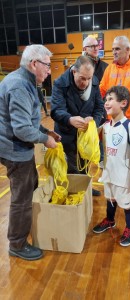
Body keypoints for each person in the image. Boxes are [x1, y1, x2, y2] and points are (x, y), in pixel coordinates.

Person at [0, 44, 61, 261]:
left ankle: (26, 231)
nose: (49, 70)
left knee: (31, 186)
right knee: (22, 198)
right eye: (47, 65)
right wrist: (45, 140)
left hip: (17, 148)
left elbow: (30, 121)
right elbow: (22, 129)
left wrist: (47, 131)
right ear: (34, 63)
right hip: (15, 151)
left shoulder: (26, 81)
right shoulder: (19, 85)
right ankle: (16, 244)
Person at [93, 86, 130, 247]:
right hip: (109, 172)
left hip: (124, 175)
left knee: (126, 203)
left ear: (123, 103)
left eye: (110, 99)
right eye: (106, 99)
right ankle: (110, 220)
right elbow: (92, 137)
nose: (106, 102)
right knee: (110, 198)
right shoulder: (106, 126)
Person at [51, 55, 104, 197]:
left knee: (85, 163)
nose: (86, 83)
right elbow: (56, 111)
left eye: (89, 78)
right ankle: (75, 192)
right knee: (72, 167)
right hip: (67, 133)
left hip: (86, 135)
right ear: (74, 71)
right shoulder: (60, 83)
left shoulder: (94, 82)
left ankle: (85, 187)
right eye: (82, 78)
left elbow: (99, 108)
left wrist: (93, 122)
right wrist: (69, 119)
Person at [83, 36, 108, 166]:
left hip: (101, 108)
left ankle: (102, 159)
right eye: (92, 46)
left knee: (101, 135)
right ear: (84, 49)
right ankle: (85, 158)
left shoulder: (105, 66)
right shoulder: (78, 65)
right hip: (84, 109)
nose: (95, 48)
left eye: (97, 45)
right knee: (86, 135)